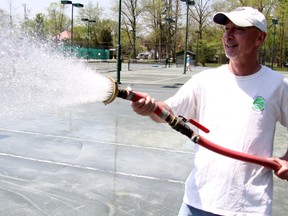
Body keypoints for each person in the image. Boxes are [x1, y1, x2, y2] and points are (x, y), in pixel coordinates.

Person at [130, 7, 288, 216]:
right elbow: (168, 111)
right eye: (226, 29)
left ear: (260, 38)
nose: (228, 35)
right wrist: (149, 108)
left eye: (238, 29)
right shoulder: (204, 81)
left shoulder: (278, 85)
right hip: (197, 203)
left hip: (250, 208)